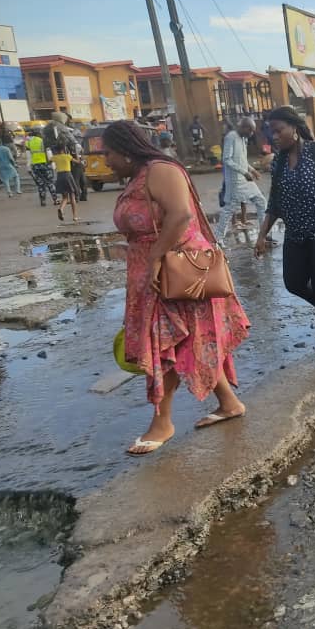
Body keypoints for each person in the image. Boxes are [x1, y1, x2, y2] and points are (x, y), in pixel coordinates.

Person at [105, 120, 250, 455]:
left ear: (126, 151)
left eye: (108, 153)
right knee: (189, 340)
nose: (106, 161)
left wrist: (155, 258)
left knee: (166, 343)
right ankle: (229, 403)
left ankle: (162, 423)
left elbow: (181, 215)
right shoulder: (137, 177)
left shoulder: (161, 170)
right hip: (153, 271)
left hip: (177, 271)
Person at [254, 106, 315, 363]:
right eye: (272, 132)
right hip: (295, 235)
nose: (274, 137)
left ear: (294, 128)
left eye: (279, 131)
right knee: (293, 283)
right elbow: (275, 201)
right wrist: (262, 235)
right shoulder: (278, 162)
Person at [217, 117, 267, 243]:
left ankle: (264, 235)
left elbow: (242, 160)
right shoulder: (231, 137)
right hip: (235, 181)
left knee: (261, 201)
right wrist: (244, 172)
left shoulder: (243, 139)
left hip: (245, 179)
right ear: (244, 127)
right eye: (250, 130)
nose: (252, 133)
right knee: (229, 209)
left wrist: (252, 170)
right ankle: (218, 239)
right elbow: (227, 159)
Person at [26, 128, 57, 206]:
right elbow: (49, 154)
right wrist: (53, 165)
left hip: (35, 165)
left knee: (40, 184)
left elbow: (28, 156)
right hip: (45, 164)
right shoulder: (44, 141)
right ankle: (55, 200)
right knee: (50, 182)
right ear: (39, 134)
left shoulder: (29, 142)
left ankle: (43, 201)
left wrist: (28, 167)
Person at [51, 145, 81, 222]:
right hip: (68, 176)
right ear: (63, 150)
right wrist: (77, 154)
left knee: (65, 197)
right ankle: (75, 216)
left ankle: (61, 209)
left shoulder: (55, 157)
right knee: (72, 197)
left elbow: (49, 160)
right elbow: (78, 162)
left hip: (59, 176)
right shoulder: (68, 156)